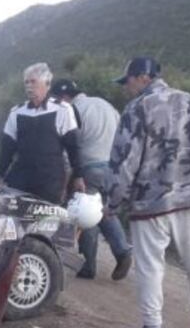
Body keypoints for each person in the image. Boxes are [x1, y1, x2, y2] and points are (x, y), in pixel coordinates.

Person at [107, 56, 190, 328]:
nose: (126, 88)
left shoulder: (136, 109)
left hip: (151, 203)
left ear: (142, 77)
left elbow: (125, 160)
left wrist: (112, 200)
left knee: (151, 266)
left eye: (127, 81)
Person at [50, 78, 133, 281]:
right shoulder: (106, 105)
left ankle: (88, 266)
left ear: (63, 97)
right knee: (104, 209)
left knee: (86, 215)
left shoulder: (73, 110)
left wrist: (68, 175)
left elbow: (73, 146)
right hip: (113, 167)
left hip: (89, 167)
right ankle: (123, 250)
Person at [0, 63, 85, 204]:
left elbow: (73, 146)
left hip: (50, 181)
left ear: (47, 84)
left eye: (33, 82)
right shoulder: (17, 112)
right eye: (26, 82)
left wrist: (79, 176)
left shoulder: (62, 109)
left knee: (48, 222)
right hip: (21, 180)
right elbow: (7, 148)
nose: (29, 86)